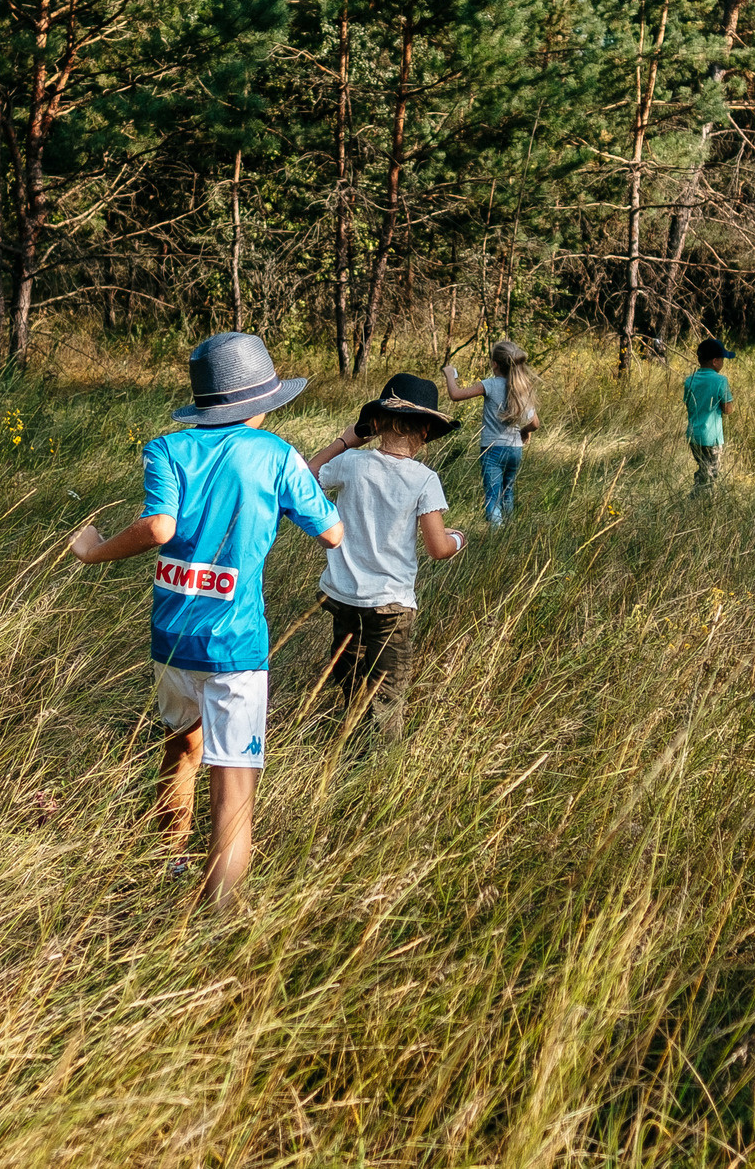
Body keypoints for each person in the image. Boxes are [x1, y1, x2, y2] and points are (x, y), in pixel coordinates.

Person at [67, 331, 341, 906]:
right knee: (232, 796)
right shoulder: (276, 454)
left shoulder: (166, 449)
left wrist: (93, 550)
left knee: (180, 748)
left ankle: (168, 862)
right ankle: (215, 923)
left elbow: (159, 525)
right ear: (261, 403)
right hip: (235, 648)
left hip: (171, 639)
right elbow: (332, 533)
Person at [303, 373, 466, 735]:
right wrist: (459, 538)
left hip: (343, 597)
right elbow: (438, 548)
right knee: (387, 694)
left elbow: (308, 474)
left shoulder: (350, 463)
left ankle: (353, 738)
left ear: (374, 425)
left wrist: (346, 440)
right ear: (426, 431)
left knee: (351, 679)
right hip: (391, 605)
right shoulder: (424, 479)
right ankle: (380, 757)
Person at [445, 339, 539, 526]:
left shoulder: (489, 385)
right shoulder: (522, 387)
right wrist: (524, 432)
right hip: (515, 449)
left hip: (492, 448)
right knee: (507, 492)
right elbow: (535, 423)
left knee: (492, 496)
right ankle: (509, 530)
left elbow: (455, 395)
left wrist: (449, 375)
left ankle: (495, 534)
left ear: (494, 364)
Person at [683, 337, 736, 491]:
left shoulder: (689, 380)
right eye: (722, 359)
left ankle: (697, 497)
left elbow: (688, 404)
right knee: (711, 475)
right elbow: (728, 410)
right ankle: (698, 499)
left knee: (703, 468)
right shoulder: (721, 381)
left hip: (693, 435)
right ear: (715, 361)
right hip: (711, 438)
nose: (723, 362)